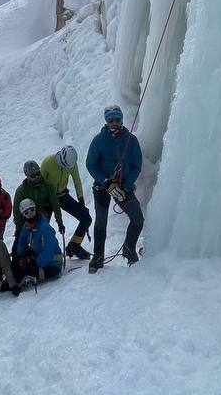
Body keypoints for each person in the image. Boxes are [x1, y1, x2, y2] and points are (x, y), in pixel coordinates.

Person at [86, 105, 145, 273]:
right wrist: (105, 182)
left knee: (137, 219)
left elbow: (136, 165)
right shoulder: (99, 140)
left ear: (121, 120)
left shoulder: (130, 140)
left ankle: (128, 248)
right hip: (102, 187)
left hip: (122, 186)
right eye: (110, 120)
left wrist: (126, 186)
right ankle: (97, 258)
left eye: (116, 120)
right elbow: (90, 164)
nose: (114, 123)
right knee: (101, 222)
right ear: (106, 121)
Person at [42, 146, 93, 260]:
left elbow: (77, 181)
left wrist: (81, 201)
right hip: (47, 198)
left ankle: (74, 246)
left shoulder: (72, 164)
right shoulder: (48, 162)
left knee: (86, 218)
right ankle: (43, 251)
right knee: (42, 226)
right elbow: (40, 184)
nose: (64, 168)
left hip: (62, 195)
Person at [11, 199, 63, 283]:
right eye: (26, 212)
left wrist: (33, 262)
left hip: (53, 264)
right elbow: (22, 242)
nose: (30, 213)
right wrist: (21, 257)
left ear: (35, 209)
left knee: (23, 272)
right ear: (24, 215)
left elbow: (48, 253)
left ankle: (22, 279)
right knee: (15, 265)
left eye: (32, 209)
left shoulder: (45, 228)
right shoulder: (27, 226)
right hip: (38, 257)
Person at [12, 160, 64, 239]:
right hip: (27, 218)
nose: (36, 177)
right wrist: (19, 228)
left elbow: (55, 204)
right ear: (27, 176)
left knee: (42, 236)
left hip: (43, 216)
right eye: (33, 176)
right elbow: (16, 211)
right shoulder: (21, 191)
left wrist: (59, 222)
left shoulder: (47, 185)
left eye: (38, 173)